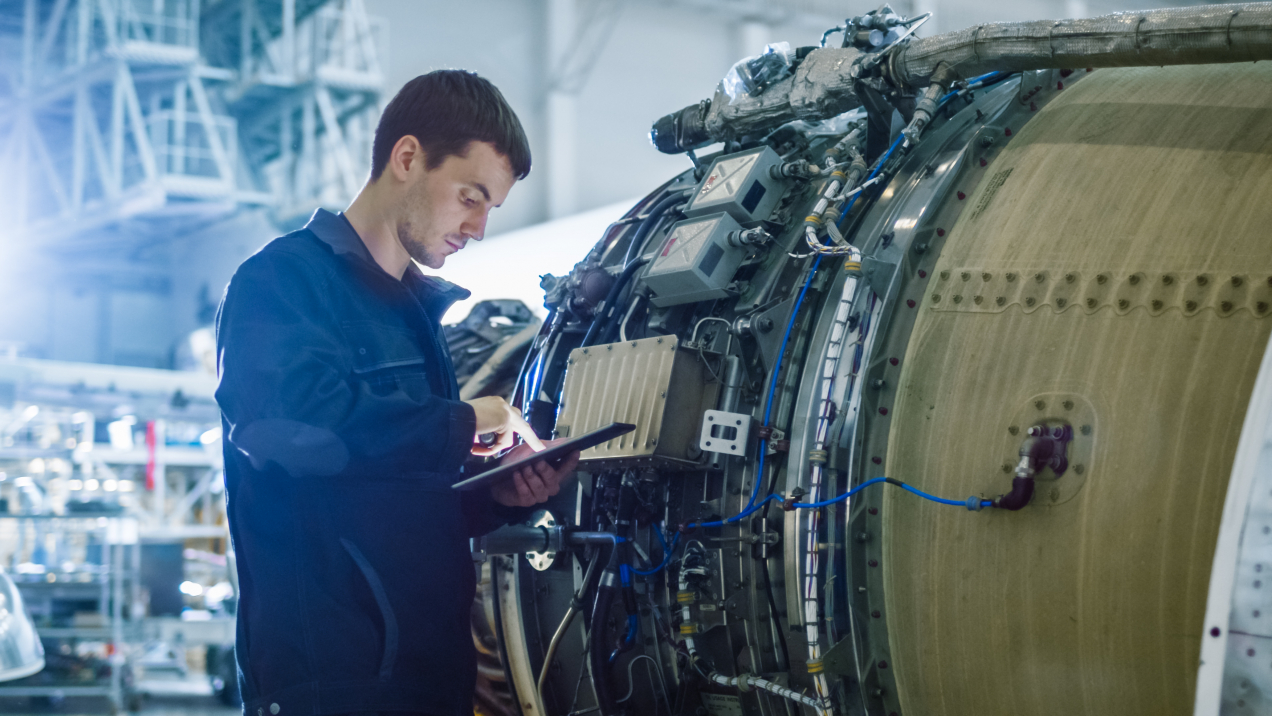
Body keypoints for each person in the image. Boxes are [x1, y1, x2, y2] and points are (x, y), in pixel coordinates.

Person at [214, 70, 577, 716]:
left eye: (490, 208)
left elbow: (403, 496)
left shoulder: (414, 317)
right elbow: (289, 428)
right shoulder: (280, 282)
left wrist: (499, 496)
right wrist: (460, 424)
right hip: (332, 689)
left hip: (430, 686)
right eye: (471, 196)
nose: (478, 227)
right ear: (407, 158)